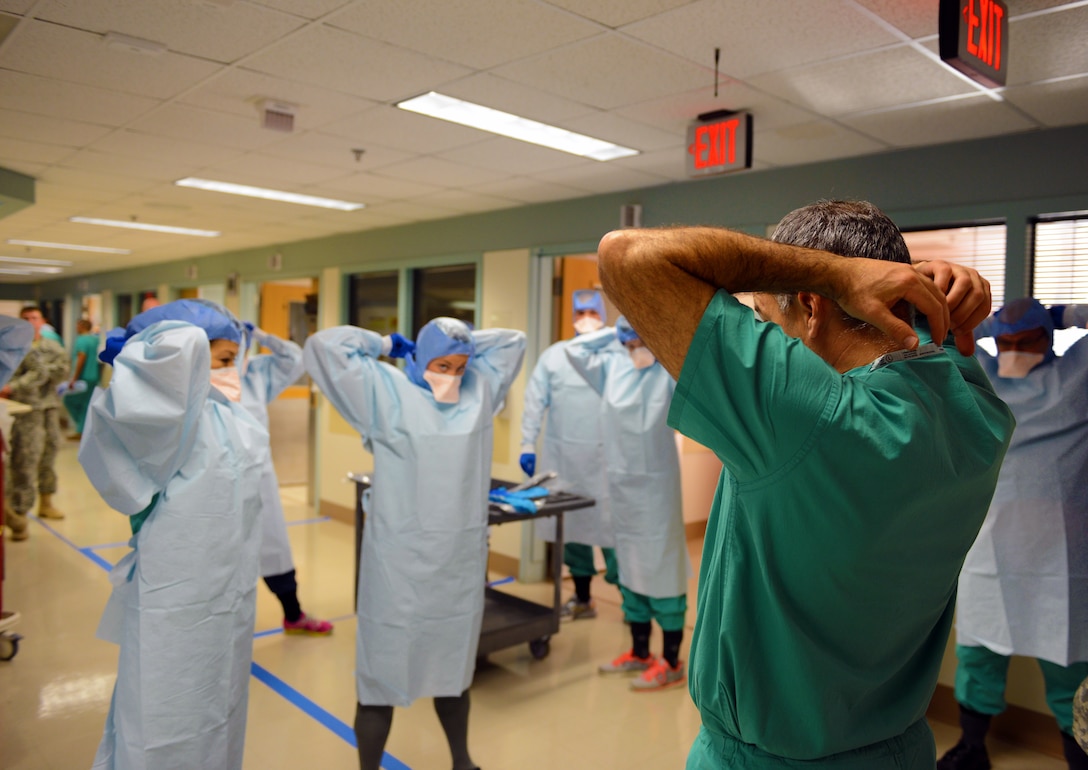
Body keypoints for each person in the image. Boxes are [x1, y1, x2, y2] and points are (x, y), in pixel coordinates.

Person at [596, 199, 1015, 769]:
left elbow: (627, 256)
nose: (767, 334)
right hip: (898, 750)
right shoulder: (974, 412)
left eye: (768, 318)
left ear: (813, 307)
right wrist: (947, 287)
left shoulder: (806, 420)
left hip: (769, 758)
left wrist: (831, 271)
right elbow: (927, 339)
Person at [304, 317, 526, 770]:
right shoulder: (385, 392)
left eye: (462, 366)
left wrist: (459, 340)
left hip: (456, 564)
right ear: (420, 358)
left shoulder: (479, 392)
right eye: (441, 364)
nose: (452, 376)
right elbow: (323, 348)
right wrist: (386, 342)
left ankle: (461, 760)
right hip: (398, 565)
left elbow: (513, 342)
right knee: (380, 676)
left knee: (453, 671)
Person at [80, 299, 268, 770]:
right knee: (165, 720)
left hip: (229, 596)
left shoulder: (229, 415)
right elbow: (124, 468)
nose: (230, 370)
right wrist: (149, 349)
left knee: (220, 714)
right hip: (176, 601)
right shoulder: (159, 423)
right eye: (219, 359)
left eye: (231, 359)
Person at [937, 298, 1088, 770]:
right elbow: (937, 337)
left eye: (1028, 341)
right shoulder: (982, 374)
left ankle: (1079, 752)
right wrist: (983, 325)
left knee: (1068, 661)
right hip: (988, 540)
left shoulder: (1079, 378)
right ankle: (972, 745)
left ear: (1050, 338)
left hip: (1062, 551)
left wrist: (1064, 314)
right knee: (979, 651)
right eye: (1007, 342)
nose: (1015, 351)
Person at [566, 315, 690, 692]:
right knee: (631, 568)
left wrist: (650, 326)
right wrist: (615, 330)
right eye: (630, 344)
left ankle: (671, 661)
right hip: (621, 487)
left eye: (641, 342)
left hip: (658, 489)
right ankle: (639, 653)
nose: (636, 351)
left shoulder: (669, 368)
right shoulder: (611, 369)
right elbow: (574, 349)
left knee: (663, 570)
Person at [520, 289, 617, 620]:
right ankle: (583, 598)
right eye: (580, 313)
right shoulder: (554, 356)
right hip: (566, 461)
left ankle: (635, 608)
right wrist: (525, 444)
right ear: (572, 317)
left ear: (604, 316)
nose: (586, 319)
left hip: (609, 462)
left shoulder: (619, 354)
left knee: (613, 532)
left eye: (592, 312)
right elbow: (534, 403)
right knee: (573, 532)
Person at [240, 321, 333, 635]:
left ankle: (293, 615)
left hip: (258, 479)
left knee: (274, 546)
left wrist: (263, 336)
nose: (233, 362)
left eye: (237, 351)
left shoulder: (253, 374)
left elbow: (296, 358)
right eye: (222, 356)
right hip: (210, 490)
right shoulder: (190, 382)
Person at [1, 306, 69, 536]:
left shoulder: (52, 346)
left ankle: (46, 502)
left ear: (43, 321)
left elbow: (61, 370)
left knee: (49, 455)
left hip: (48, 406)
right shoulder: (13, 346)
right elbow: (11, 376)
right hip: (25, 409)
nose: (31, 321)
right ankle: (18, 513)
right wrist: (21, 383)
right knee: (24, 460)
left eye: (35, 318)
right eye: (26, 318)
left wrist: (38, 374)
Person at [61, 318, 101, 440]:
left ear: (81, 327)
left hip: (83, 377)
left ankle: (81, 428)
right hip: (93, 376)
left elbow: (81, 358)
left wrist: (74, 377)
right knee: (86, 404)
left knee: (69, 400)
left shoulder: (81, 340)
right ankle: (83, 429)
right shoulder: (95, 339)